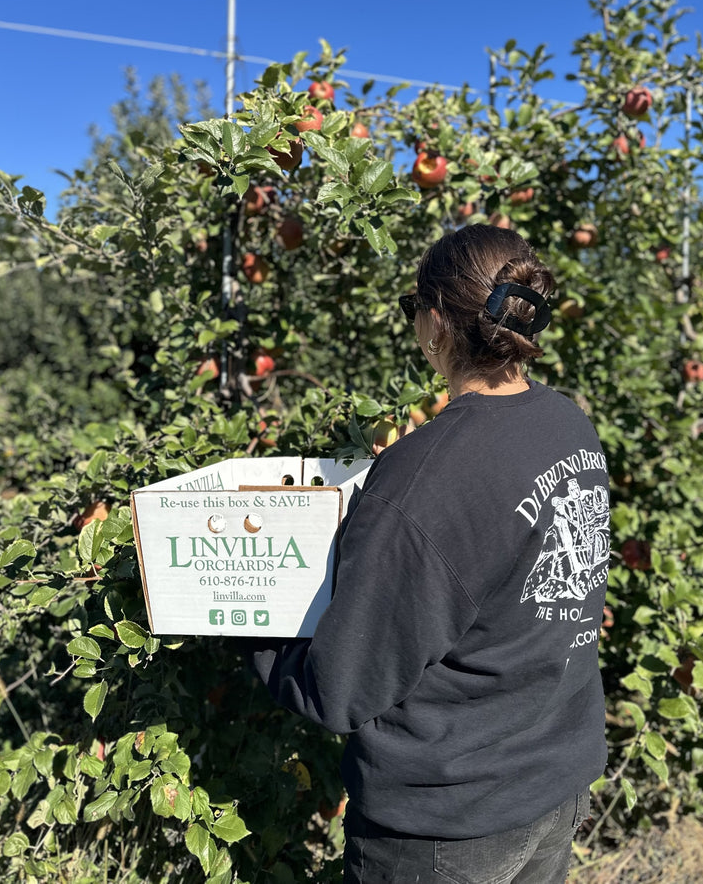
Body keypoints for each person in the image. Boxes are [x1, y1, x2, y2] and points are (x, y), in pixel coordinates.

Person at [254, 224, 611, 883]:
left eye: (411, 308)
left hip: (446, 827)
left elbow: (340, 690)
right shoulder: (567, 423)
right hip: (553, 782)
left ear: (437, 320)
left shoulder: (424, 479)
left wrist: (239, 615)